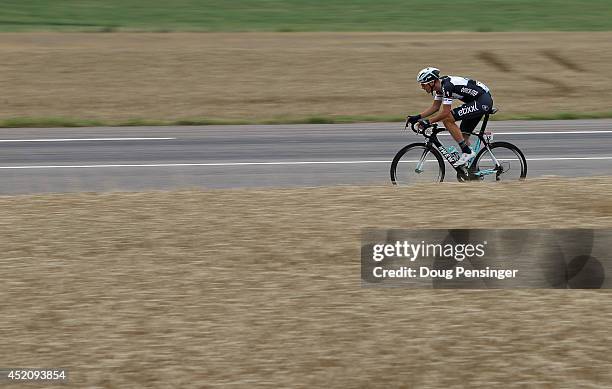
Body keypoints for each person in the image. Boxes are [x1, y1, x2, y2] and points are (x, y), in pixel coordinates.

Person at [407, 67, 494, 166]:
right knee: (462, 135)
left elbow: (445, 112)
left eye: (423, 84)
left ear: (431, 83)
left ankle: (468, 152)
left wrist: (428, 122)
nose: (422, 87)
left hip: (482, 101)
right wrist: (417, 117)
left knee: (447, 119)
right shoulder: (440, 87)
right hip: (475, 101)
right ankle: (471, 170)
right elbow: (435, 107)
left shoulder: (447, 86)